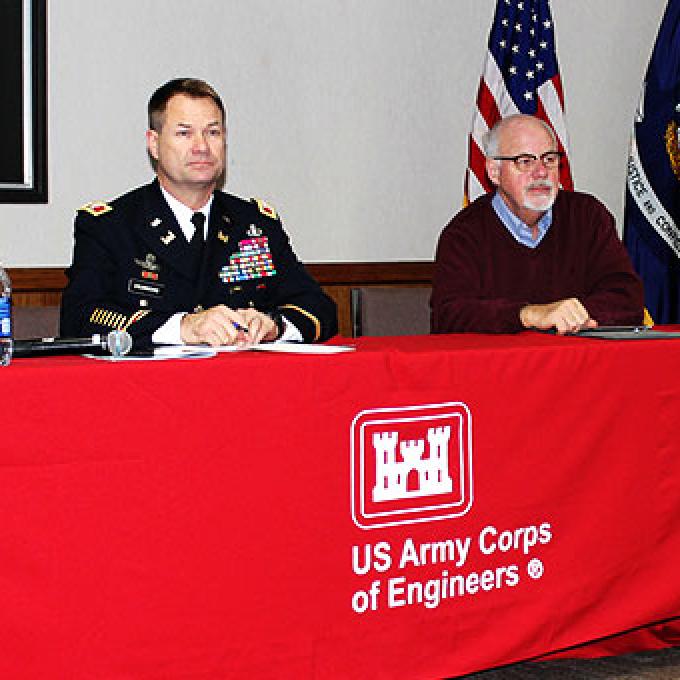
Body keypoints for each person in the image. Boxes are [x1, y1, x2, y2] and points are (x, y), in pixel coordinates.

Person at [61, 78, 337, 347]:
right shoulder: (110, 225)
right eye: (184, 133)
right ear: (154, 144)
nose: (202, 147)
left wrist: (274, 325)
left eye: (212, 132)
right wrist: (182, 328)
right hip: (151, 388)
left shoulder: (254, 223)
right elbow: (80, 318)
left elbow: (319, 308)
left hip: (245, 385)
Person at [431, 114, 644, 335]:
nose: (541, 172)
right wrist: (529, 315)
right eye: (525, 161)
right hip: (502, 367)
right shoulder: (464, 234)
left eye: (549, 159)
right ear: (494, 171)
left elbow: (627, 299)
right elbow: (449, 316)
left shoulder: (587, 217)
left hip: (577, 363)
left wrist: (570, 315)